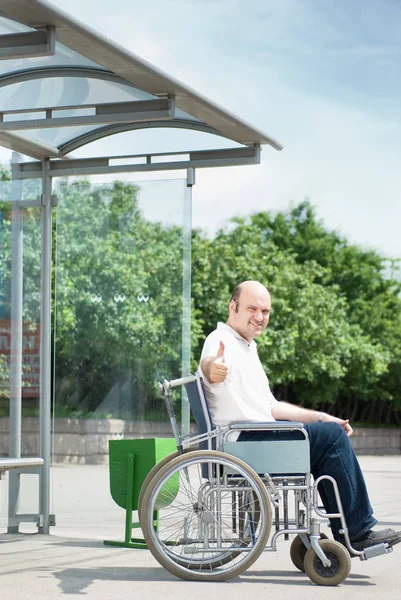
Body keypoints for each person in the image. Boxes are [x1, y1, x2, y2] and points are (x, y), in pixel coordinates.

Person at [200, 280, 401, 552]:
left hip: (256, 438)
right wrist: (213, 369)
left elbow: (272, 407)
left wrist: (323, 417)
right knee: (330, 440)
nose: (259, 317)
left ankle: (349, 530)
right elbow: (209, 367)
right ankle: (357, 531)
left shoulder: (247, 346)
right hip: (244, 442)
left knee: (329, 435)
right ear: (232, 306)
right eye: (252, 308)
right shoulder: (220, 340)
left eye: (266, 311)